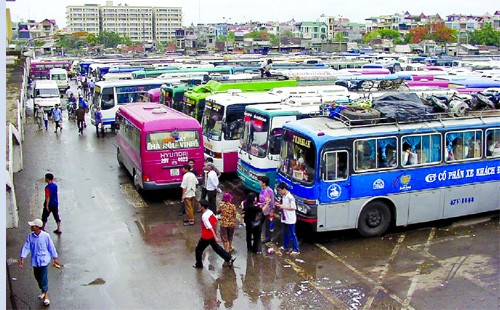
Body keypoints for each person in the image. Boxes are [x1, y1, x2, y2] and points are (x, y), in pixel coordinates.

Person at [19, 219, 59, 307]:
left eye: (33, 226)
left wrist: (55, 257)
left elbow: (50, 247)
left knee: (43, 278)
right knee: (38, 277)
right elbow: (26, 247)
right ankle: (43, 291)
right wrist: (22, 257)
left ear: (37, 227)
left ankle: (46, 296)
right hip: (35, 261)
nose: (31, 227)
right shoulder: (30, 236)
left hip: (44, 260)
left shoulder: (45, 236)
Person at [193, 199, 235, 269]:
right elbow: (215, 219)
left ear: (203, 207)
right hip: (211, 235)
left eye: (200, 205)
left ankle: (199, 264)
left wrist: (215, 237)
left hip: (206, 236)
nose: (199, 206)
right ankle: (229, 257)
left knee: (198, 249)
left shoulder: (204, 216)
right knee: (216, 248)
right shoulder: (210, 212)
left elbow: (209, 227)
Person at [276, 182, 300, 255]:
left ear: (284, 189)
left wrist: (284, 207)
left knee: (292, 234)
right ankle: (286, 246)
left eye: (280, 190)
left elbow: (293, 207)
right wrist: (279, 205)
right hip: (285, 218)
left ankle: (296, 249)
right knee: (285, 233)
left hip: (290, 219)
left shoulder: (290, 197)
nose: (279, 192)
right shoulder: (284, 196)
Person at [258, 176, 275, 243]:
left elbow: (272, 202)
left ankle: (268, 238)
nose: (259, 182)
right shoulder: (262, 189)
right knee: (259, 223)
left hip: (268, 211)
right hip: (262, 209)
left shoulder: (270, 191)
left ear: (264, 183)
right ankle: (258, 235)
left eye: (260, 181)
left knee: (267, 225)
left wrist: (272, 210)